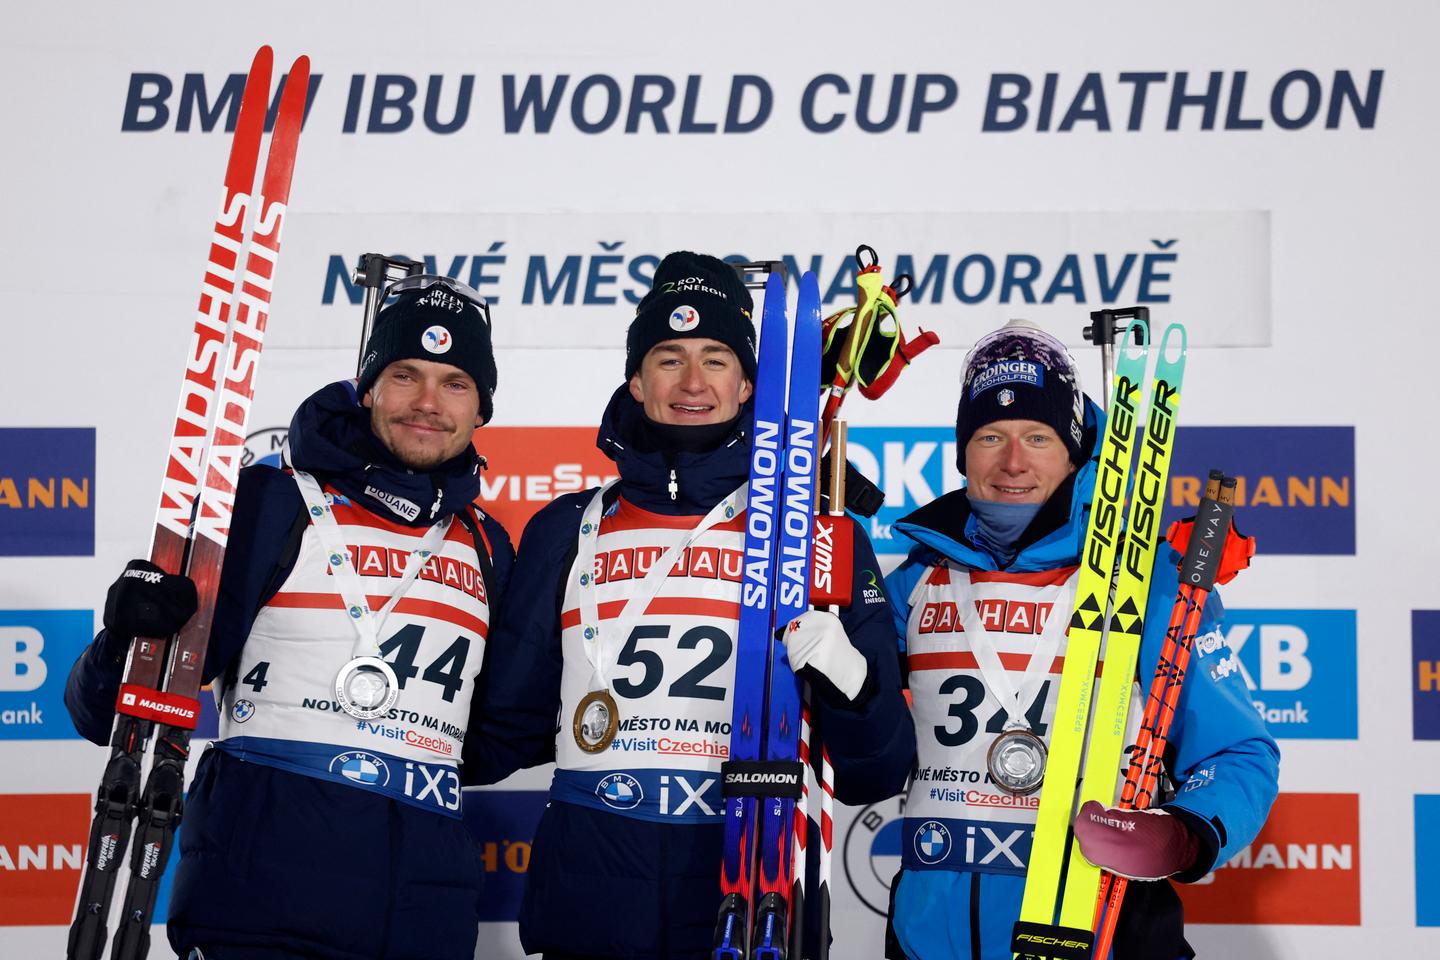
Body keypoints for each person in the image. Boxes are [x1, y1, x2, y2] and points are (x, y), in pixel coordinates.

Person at [470, 251, 915, 958]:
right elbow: (504, 730)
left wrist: (852, 682)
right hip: (590, 886)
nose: (692, 381)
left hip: (748, 881)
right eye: (668, 357)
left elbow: (875, 771)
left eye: (715, 357)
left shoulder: (814, 531)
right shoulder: (568, 528)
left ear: (748, 385)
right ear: (636, 380)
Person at [65, 276, 514, 960]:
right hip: (262, 903)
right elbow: (114, 709)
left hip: (425, 913)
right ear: (368, 387)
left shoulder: (484, 543)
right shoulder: (274, 504)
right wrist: (129, 631)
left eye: (455, 382)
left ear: (481, 407)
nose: (427, 402)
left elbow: (490, 736)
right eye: (405, 375)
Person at [881, 320, 1280, 960]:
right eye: (991, 437)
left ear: (1074, 451)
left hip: (1104, 932)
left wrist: (1186, 831)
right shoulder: (915, 583)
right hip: (931, 938)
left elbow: (1239, 752)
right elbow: (862, 739)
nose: (1014, 462)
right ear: (962, 453)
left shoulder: (1144, 583)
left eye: (1038, 437)